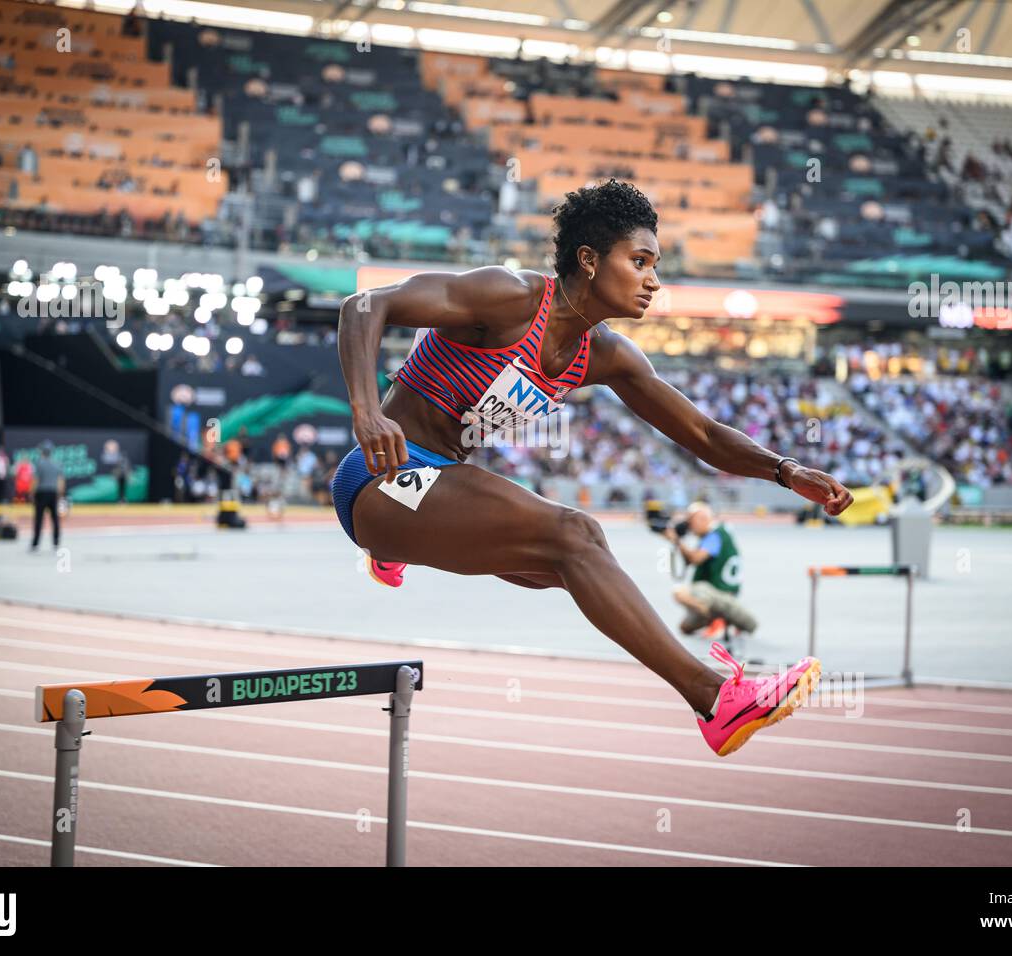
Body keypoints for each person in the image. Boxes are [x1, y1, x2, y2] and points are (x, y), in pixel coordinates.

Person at [330, 179, 854, 758]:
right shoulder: (508, 298)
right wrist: (366, 411)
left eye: (656, 265)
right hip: (382, 478)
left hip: (433, 488)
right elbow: (364, 305)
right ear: (588, 259)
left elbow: (703, 434)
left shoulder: (604, 356)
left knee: (574, 570)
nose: (654, 280)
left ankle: (397, 547)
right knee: (578, 536)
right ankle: (716, 699)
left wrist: (784, 470)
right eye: (639, 261)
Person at [665, 502, 759, 640]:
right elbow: (691, 560)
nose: (689, 526)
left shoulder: (714, 536)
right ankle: (722, 619)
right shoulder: (721, 533)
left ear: (703, 519)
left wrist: (677, 541)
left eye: (691, 521)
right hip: (724, 595)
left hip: (718, 594)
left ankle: (717, 619)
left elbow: (696, 558)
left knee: (679, 592)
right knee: (684, 628)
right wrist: (677, 543)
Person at [29, 440, 65, 552]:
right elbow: (61, 481)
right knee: (55, 519)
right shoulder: (57, 464)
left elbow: (36, 480)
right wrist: (60, 494)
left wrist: (31, 493)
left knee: (39, 519)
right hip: (53, 493)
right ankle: (56, 542)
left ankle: (35, 544)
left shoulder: (39, 463)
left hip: (41, 493)